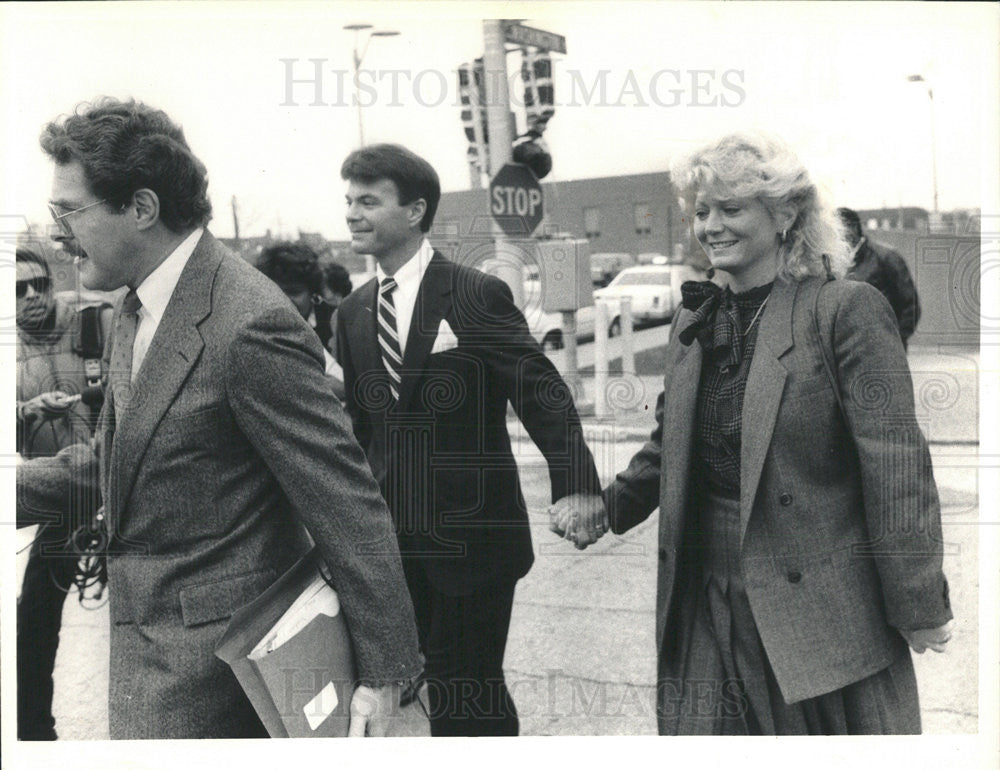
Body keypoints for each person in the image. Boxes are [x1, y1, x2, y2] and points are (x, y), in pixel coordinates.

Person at [16, 98, 421, 739]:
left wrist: (386, 674)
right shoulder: (134, 308)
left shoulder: (248, 321)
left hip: (218, 681)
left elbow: (346, 502)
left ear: (142, 208)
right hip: (152, 660)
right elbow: (110, 462)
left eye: (69, 211)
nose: (58, 231)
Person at [551, 132, 953, 735]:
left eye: (730, 209)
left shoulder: (846, 310)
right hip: (705, 590)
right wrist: (607, 508)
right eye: (701, 210)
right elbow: (671, 444)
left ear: (787, 213)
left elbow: (895, 464)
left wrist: (918, 602)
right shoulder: (698, 313)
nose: (709, 225)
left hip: (818, 603)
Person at [334, 143, 601, 736]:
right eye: (348, 200)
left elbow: (542, 393)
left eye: (368, 201)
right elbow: (358, 431)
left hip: (472, 542)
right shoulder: (351, 314)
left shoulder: (475, 294)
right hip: (391, 545)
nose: (352, 213)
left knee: (468, 695)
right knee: (410, 697)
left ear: (415, 211)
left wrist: (578, 485)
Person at [15, 246, 109, 740]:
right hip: (60, 502)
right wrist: (26, 411)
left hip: (118, 490)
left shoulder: (96, 320)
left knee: (140, 620)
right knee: (34, 619)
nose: (31, 297)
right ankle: (33, 733)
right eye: (17, 289)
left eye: (39, 285)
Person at [837, 207, 920, 348]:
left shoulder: (886, 257)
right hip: (849, 349)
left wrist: (895, 340)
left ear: (853, 228)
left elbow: (910, 304)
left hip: (884, 347)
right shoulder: (834, 261)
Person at [255, 241, 337, 351]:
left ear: (312, 292)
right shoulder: (255, 328)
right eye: (277, 293)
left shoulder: (334, 323)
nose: (285, 301)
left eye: (294, 292)